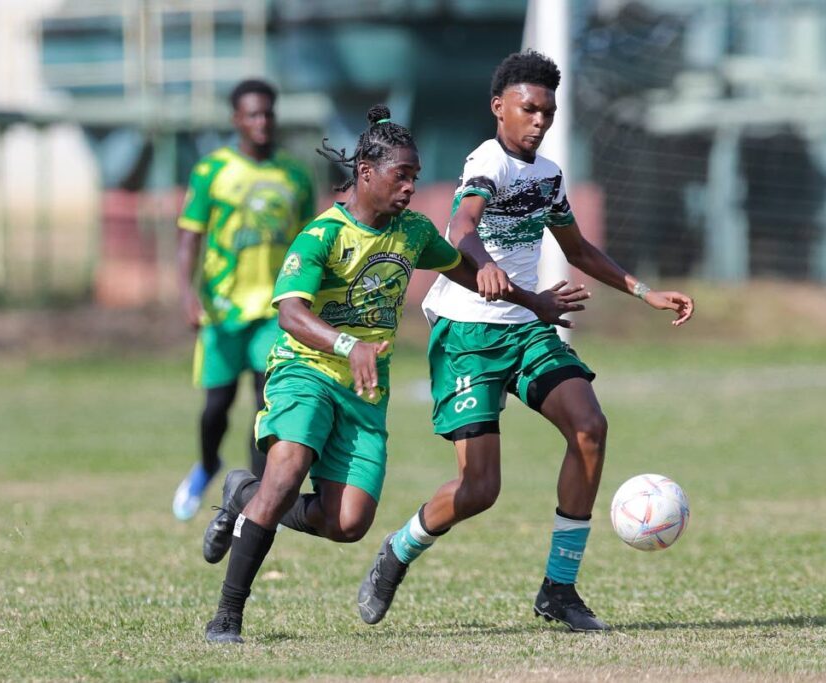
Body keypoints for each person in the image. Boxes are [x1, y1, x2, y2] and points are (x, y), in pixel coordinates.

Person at [202, 104, 588, 644]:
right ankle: (227, 616)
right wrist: (346, 342)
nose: (410, 187)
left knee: (349, 524)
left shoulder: (412, 232)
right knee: (287, 470)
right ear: (365, 173)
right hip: (305, 369)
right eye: (400, 176)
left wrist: (534, 301)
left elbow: (471, 273)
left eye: (415, 177)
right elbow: (289, 311)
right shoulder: (323, 234)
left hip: (364, 390)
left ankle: (243, 496)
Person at [354, 50, 695, 633]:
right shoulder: (487, 163)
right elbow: (460, 226)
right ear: (499, 108)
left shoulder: (548, 175)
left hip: (528, 324)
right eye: (528, 108)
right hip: (467, 334)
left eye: (548, 111)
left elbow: (580, 249)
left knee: (590, 427)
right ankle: (399, 550)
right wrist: (482, 263)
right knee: (480, 488)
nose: (539, 120)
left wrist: (643, 291)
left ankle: (559, 589)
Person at [172, 79, 315, 521]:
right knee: (217, 404)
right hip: (222, 307)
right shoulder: (212, 170)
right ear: (236, 119)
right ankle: (209, 463)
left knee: (263, 405)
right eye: (252, 114)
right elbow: (189, 238)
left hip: (274, 310)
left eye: (268, 113)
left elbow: (309, 243)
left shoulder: (295, 176)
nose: (261, 122)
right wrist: (187, 294)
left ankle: (250, 501)